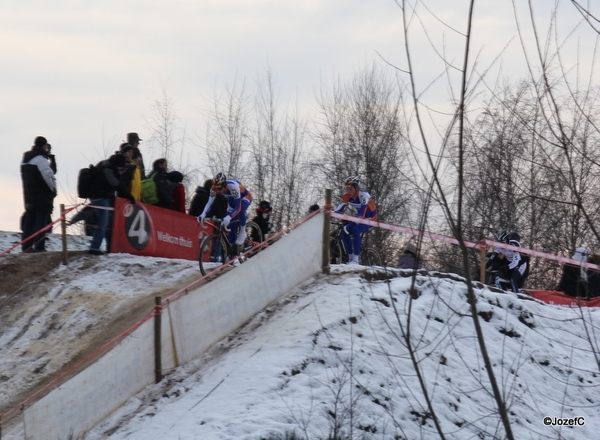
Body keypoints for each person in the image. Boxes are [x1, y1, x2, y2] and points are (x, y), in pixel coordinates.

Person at [87, 154, 136, 255]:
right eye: (120, 166)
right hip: (99, 197)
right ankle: (94, 247)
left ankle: (110, 247)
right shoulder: (107, 170)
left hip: (103, 196)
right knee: (103, 222)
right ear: (117, 164)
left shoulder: (107, 165)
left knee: (109, 223)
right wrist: (129, 195)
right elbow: (116, 184)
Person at [198, 172, 253, 252]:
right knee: (231, 224)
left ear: (225, 185)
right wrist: (203, 214)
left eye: (219, 189)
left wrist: (229, 217)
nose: (218, 191)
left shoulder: (233, 186)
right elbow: (209, 203)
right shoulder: (214, 188)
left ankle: (242, 231)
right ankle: (233, 252)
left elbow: (238, 207)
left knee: (240, 211)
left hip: (245, 197)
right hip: (232, 200)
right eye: (216, 189)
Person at [20, 136, 57, 252]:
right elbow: (48, 177)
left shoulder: (25, 159)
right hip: (42, 197)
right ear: (43, 146)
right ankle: (39, 246)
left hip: (29, 196)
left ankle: (26, 247)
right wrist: (53, 190)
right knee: (40, 223)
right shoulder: (41, 160)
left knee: (29, 223)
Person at [333, 176, 378, 265]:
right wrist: (332, 214)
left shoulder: (363, 195)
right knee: (345, 231)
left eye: (351, 189)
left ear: (356, 188)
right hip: (360, 216)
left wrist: (355, 219)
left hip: (371, 218)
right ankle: (351, 258)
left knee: (356, 230)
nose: (348, 191)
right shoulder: (347, 196)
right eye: (347, 189)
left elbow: (362, 211)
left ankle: (356, 260)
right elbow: (340, 207)